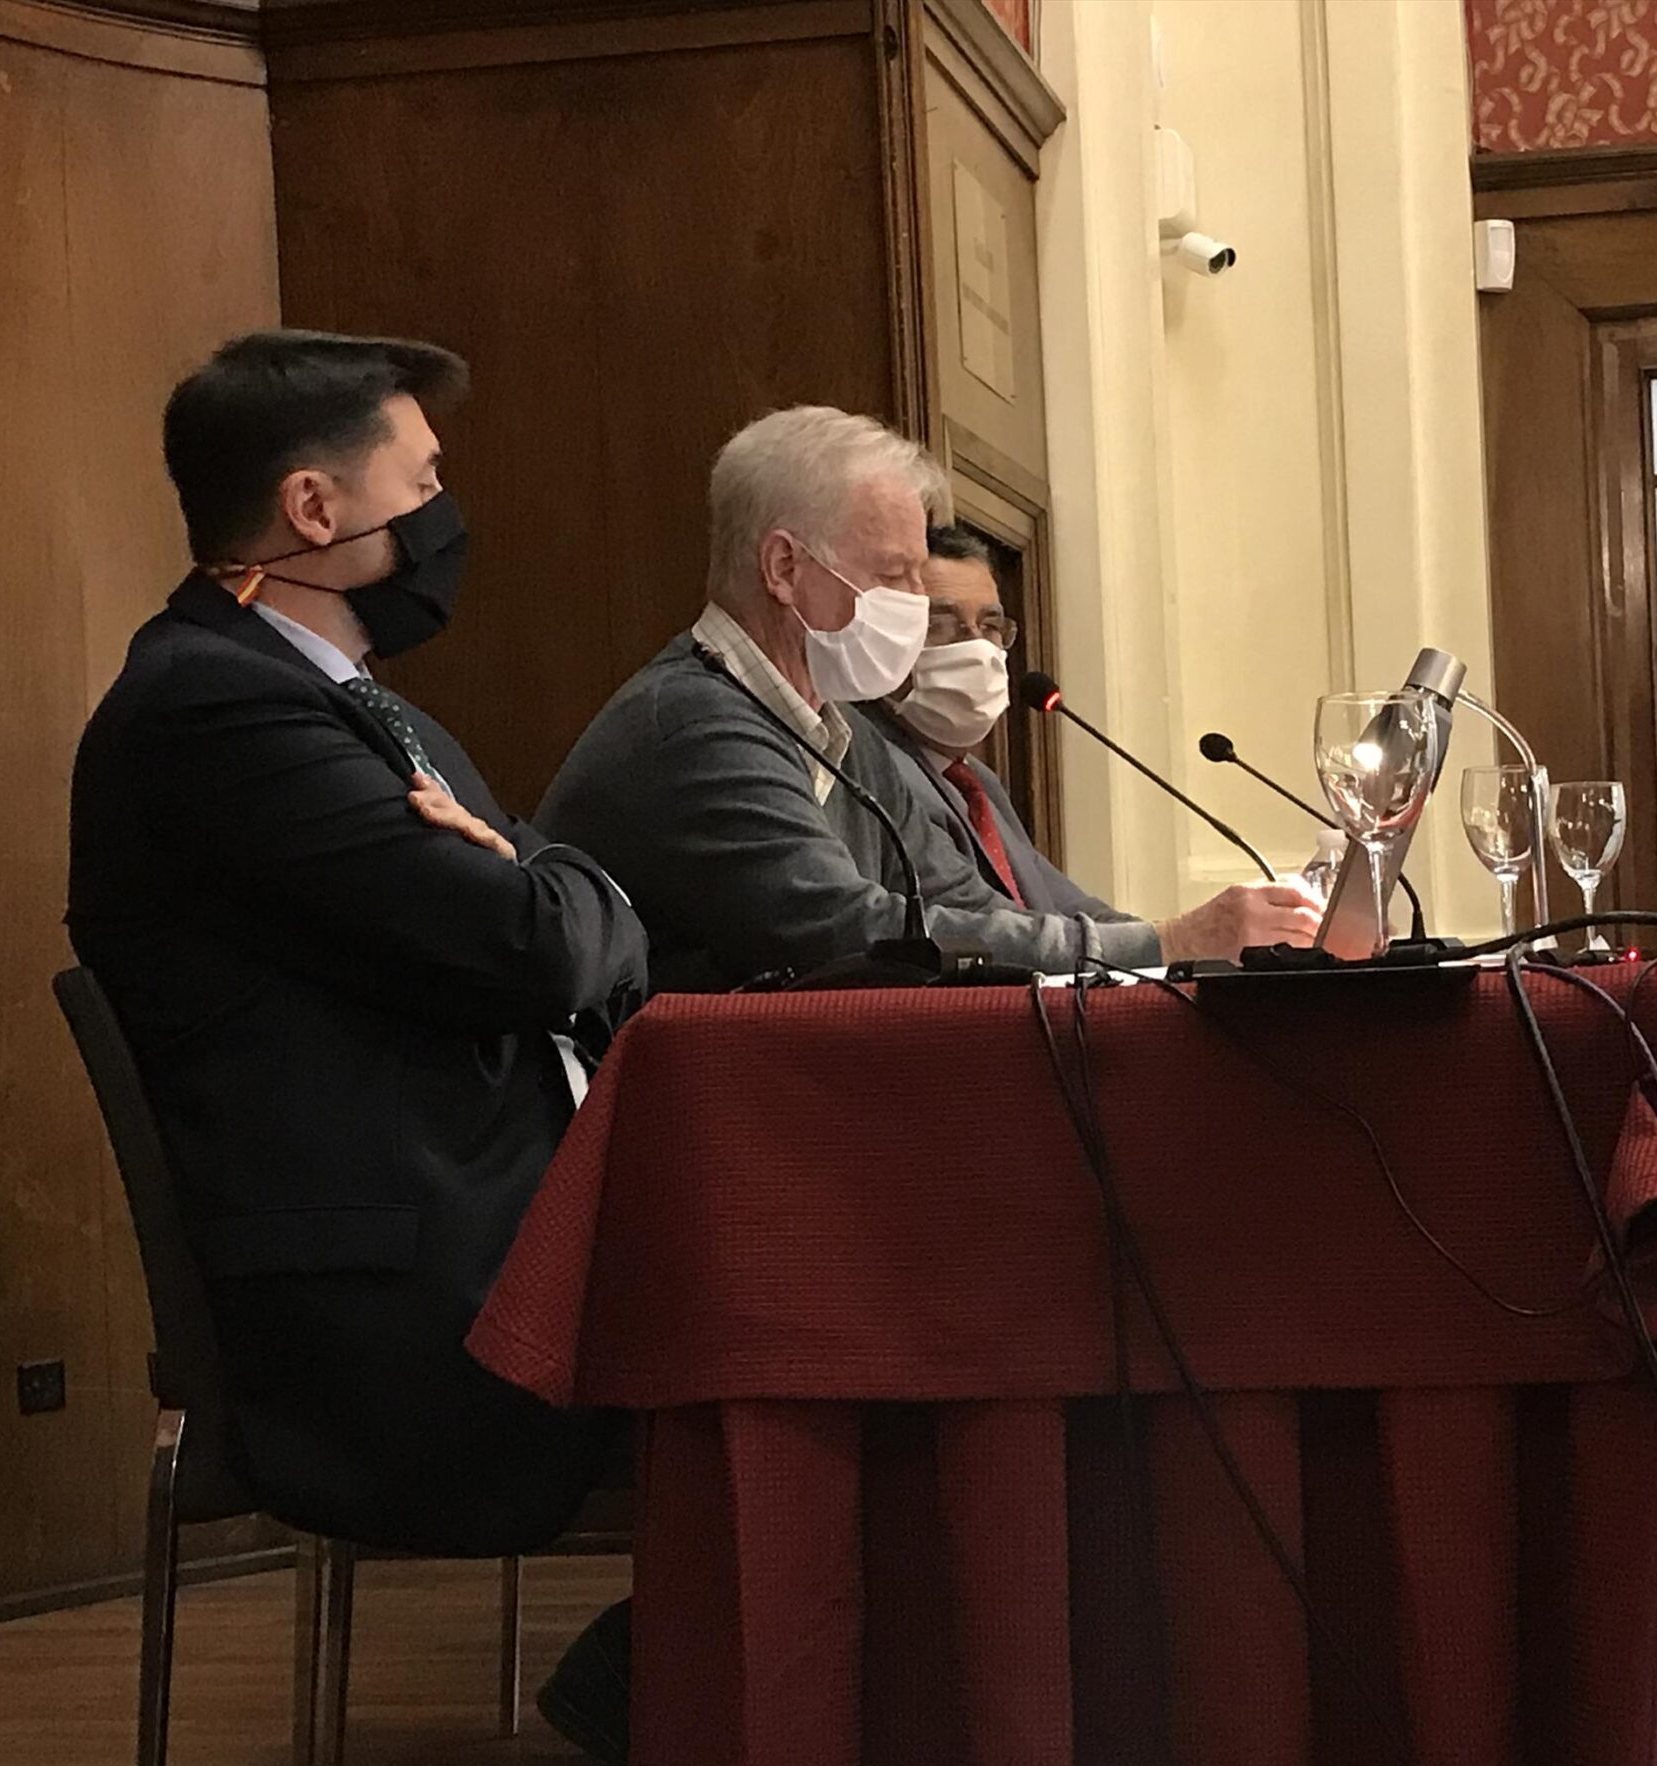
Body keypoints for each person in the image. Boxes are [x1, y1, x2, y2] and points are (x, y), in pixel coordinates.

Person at [67, 329, 647, 1559]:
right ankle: (659, 1675)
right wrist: (556, 892)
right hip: (401, 1312)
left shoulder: (355, 707)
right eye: (422, 481)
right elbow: (545, 948)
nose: (444, 512)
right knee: (816, 1351)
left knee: (833, 1306)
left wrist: (558, 890)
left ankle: (693, 1671)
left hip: (499, 1230)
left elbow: (586, 921)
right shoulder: (214, 710)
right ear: (313, 509)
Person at [534, 405, 1319, 988]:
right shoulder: (694, 726)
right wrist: (1171, 942)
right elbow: (861, 935)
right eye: (894, 575)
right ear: (784, 569)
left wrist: (1167, 946)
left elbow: (967, 904)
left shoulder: (838, 731)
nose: (913, 604)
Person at [857, 524, 1148, 926]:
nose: (976, 647)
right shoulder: (871, 766)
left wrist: (1185, 941)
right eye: (940, 624)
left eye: (990, 626)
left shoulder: (977, 782)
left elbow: (1067, 905)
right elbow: (981, 921)